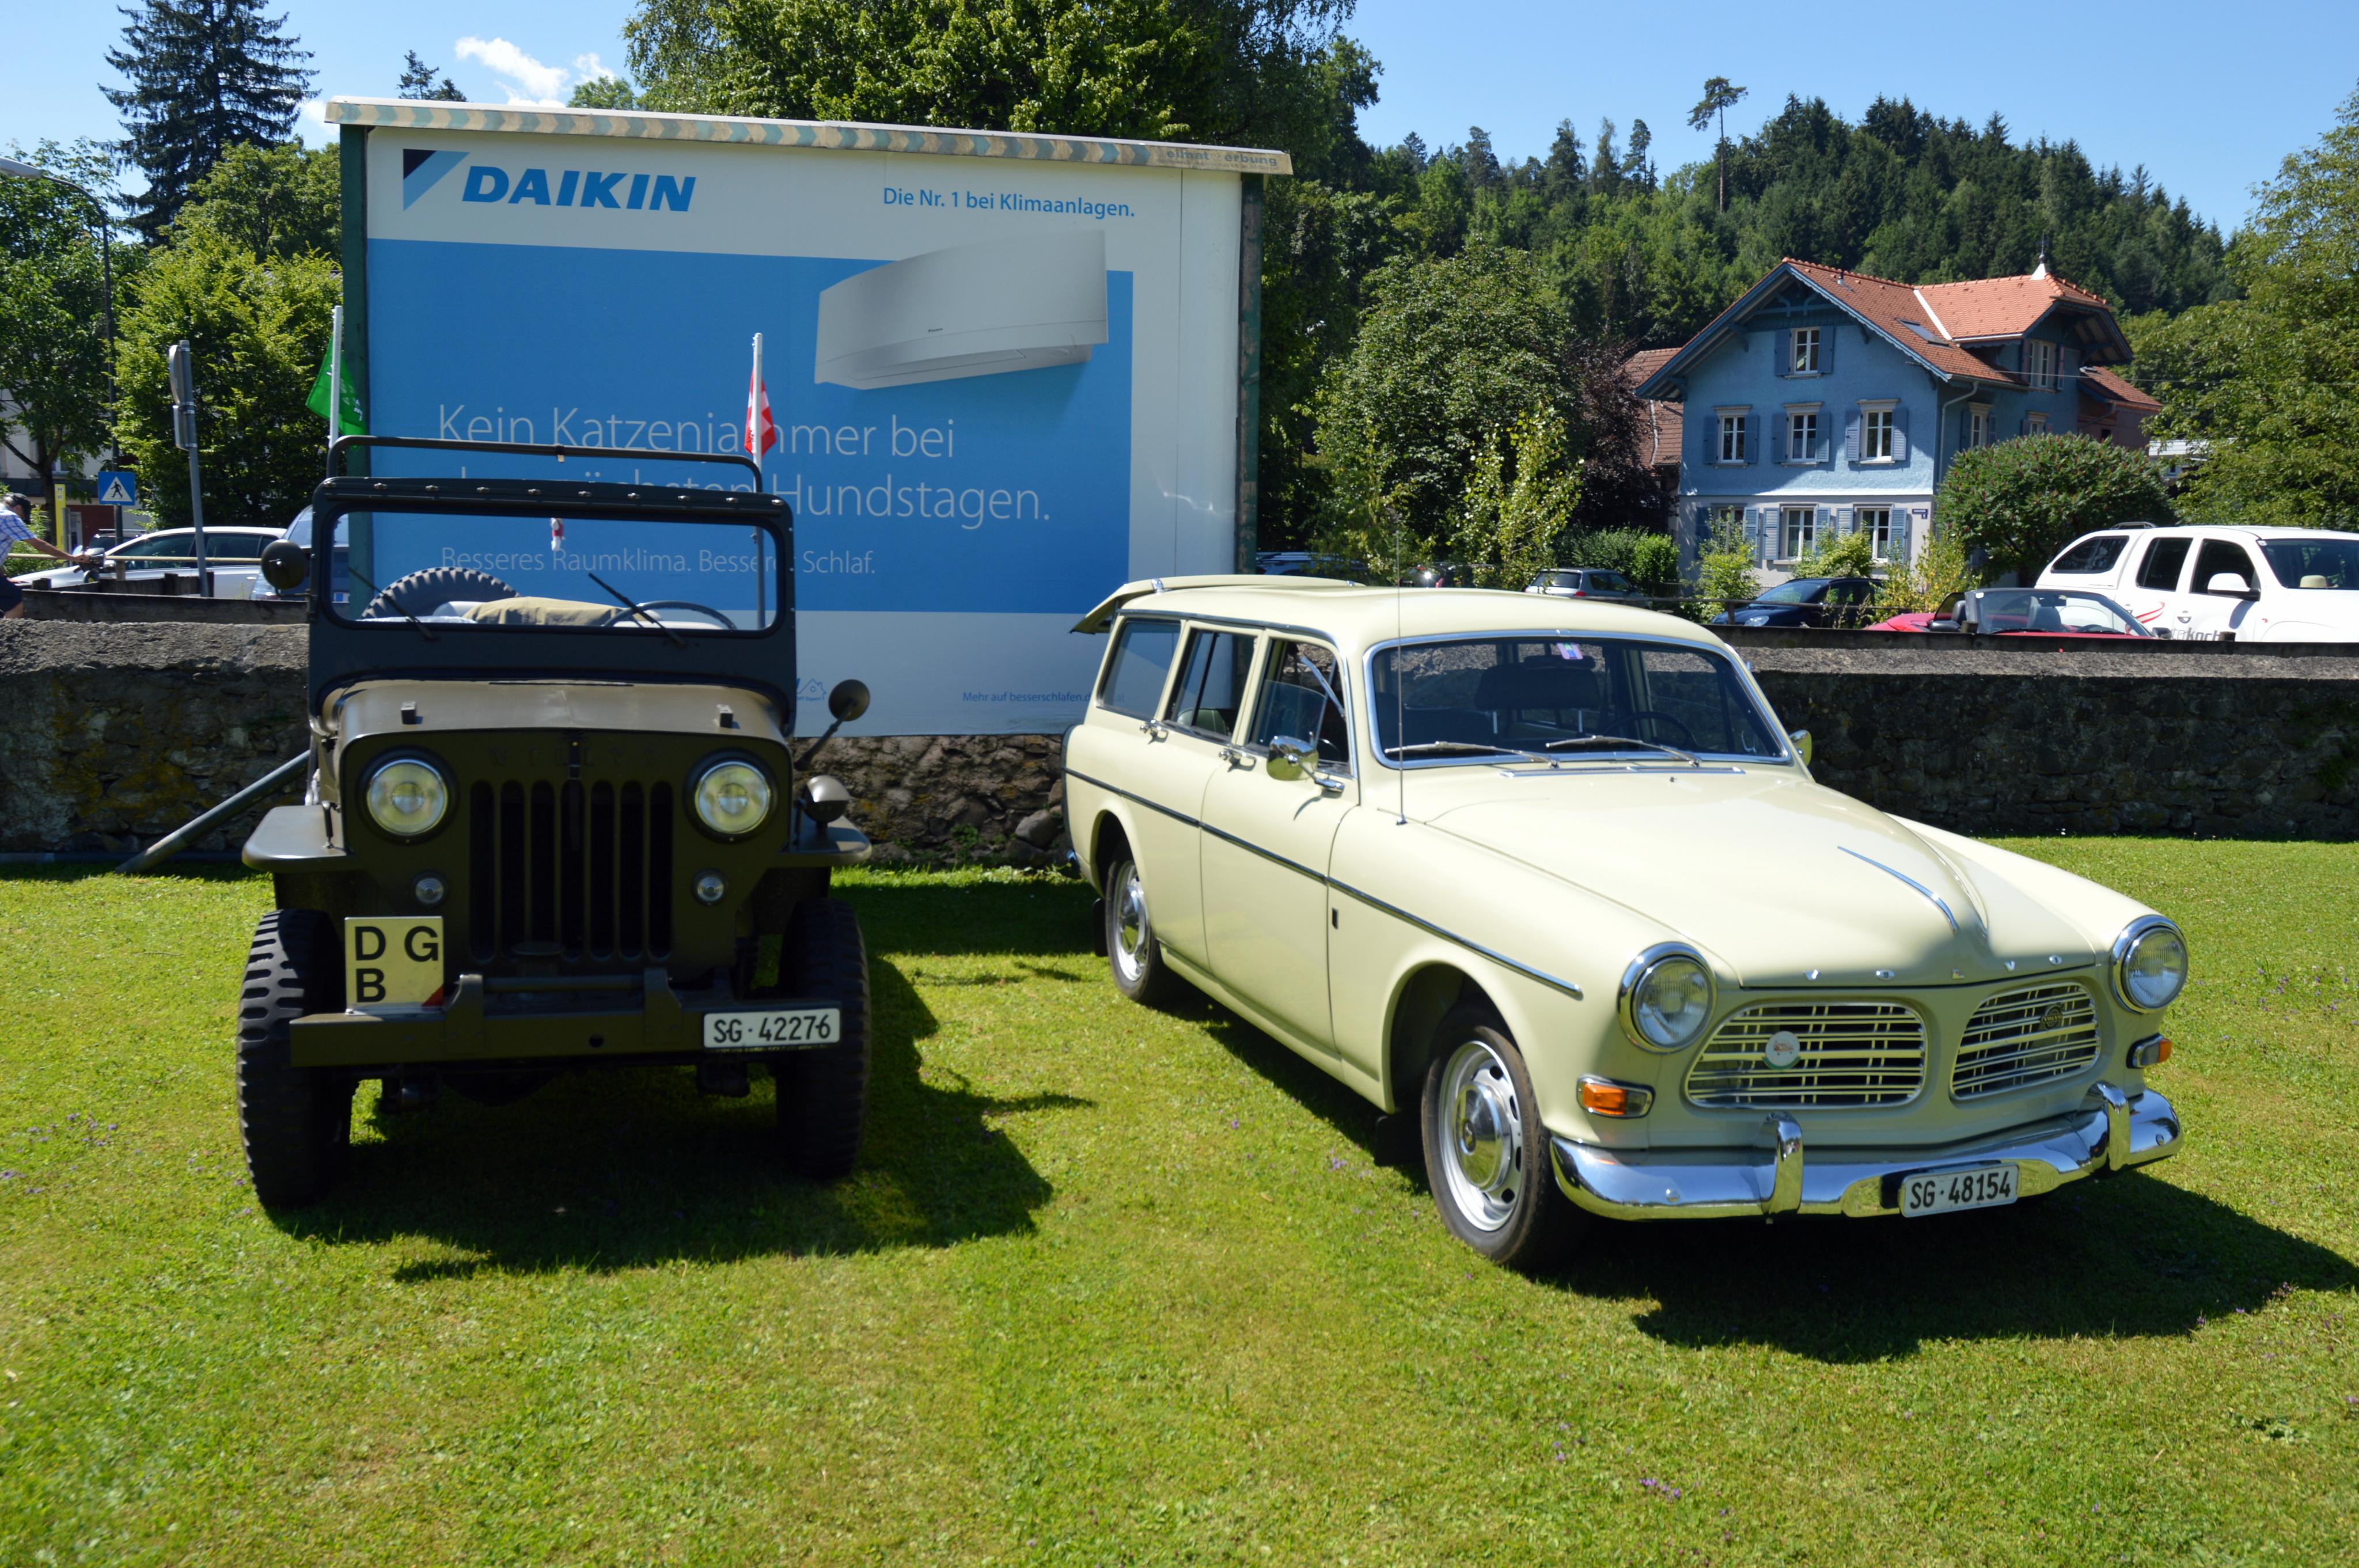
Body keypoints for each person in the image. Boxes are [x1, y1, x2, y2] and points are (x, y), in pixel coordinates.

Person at [0, 493, 98, 619]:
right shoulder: (10, 517)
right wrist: (71, 557)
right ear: (18, 508)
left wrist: (4, 578)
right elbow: (38, 545)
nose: (21, 520)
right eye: (22, 517)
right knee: (20, 601)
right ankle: (8, 631)